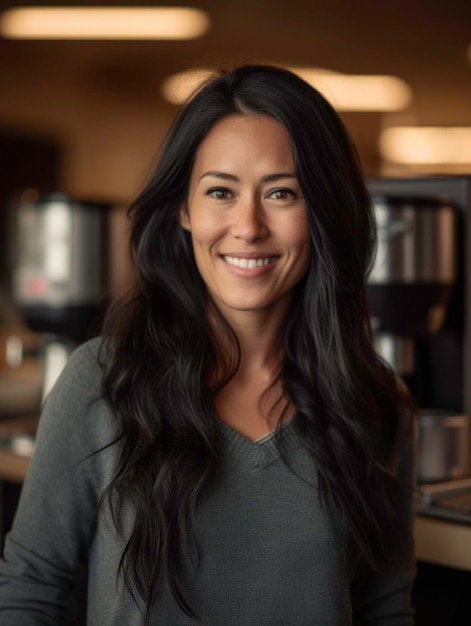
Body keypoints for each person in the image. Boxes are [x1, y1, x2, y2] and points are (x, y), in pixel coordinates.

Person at [0, 65, 416, 625]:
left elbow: (385, 612)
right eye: (221, 191)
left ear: (321, 214)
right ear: (184, 210)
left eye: (282, 193)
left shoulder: (375, 401)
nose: (248, 225)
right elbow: (28, 592)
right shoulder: (101, 380)